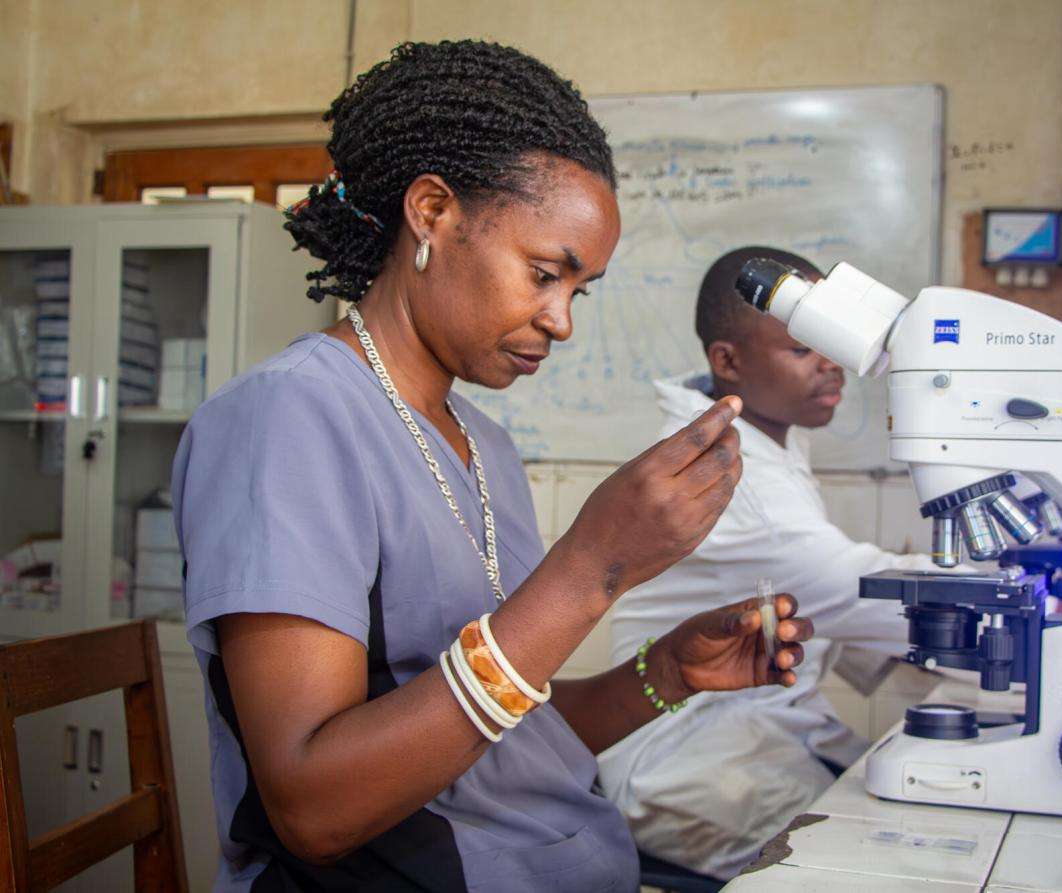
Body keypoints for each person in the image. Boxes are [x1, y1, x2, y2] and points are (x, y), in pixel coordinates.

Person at [171, 45, 815, 892]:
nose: (560, 321)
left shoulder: (484, 447)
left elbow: (505, 742)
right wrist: (595, 566)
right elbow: (315, 808)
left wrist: (667, 673)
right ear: (433, 212)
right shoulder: (288, 416)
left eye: (578, 292)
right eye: (545, 274)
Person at [597, 246, 948, 880]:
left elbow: (813, 590)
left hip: (757, 735)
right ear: (727, 361)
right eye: (800, 348)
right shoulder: (734, 475)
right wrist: (1040, 605)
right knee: (894, 868)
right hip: (688, 764)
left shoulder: (763, 438)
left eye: (828, 343)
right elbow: (853, 588)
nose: (830, 364)